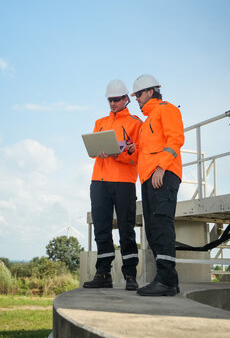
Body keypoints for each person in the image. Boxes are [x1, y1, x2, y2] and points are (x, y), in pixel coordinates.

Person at [83, 79, 142, 291]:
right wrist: (99, 152)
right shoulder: (100, 122)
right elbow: (93, 151)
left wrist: (119, 154)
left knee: (126, 229)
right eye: (110, 100)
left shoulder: (136, 123)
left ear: (126, 99)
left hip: (124, 182)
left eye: (116, 99)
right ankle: (103, 274)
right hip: (99, 182)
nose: (113, 103)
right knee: (101, 229)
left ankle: (130, 275)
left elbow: (137, 155)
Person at [131, 74, 184, 296]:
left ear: (150, 91)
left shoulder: (167, 109)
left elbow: (176, 139)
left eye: (139, 94)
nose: (137, 99)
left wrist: (161, 167)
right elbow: (146, 152)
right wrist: (132, 150)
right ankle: (165, 279)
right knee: (153, 230)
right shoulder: (146, 124)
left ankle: (167, 281)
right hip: (148, 179)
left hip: (163, 175)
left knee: (162, 225)